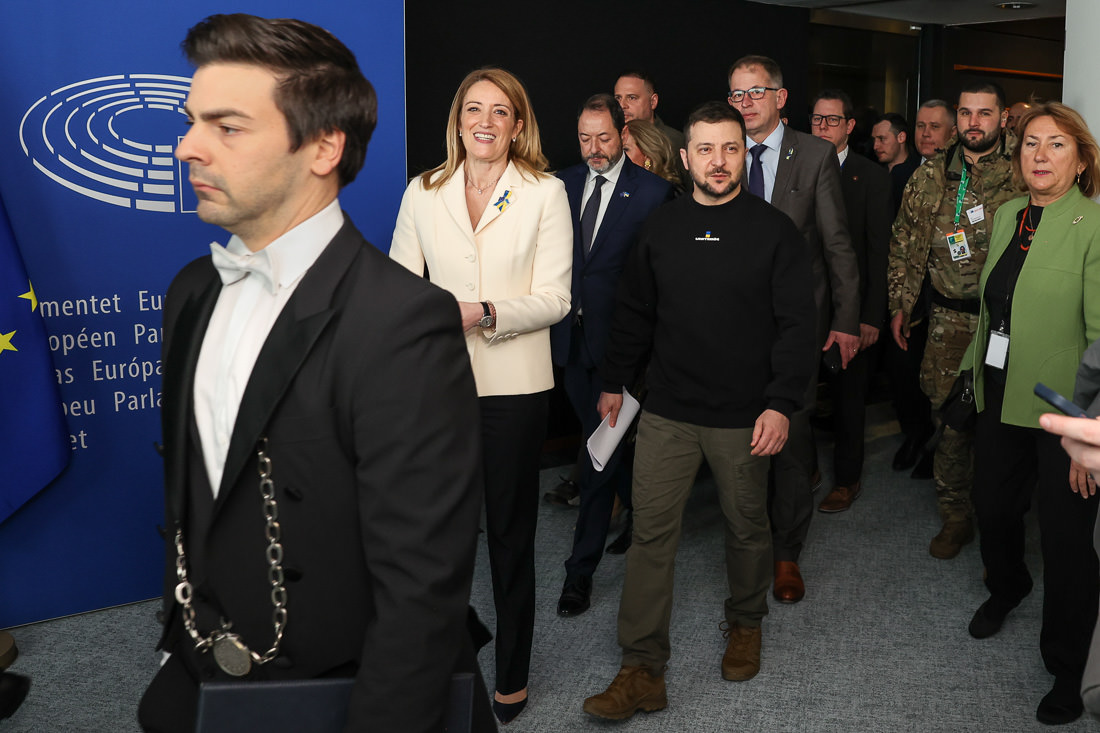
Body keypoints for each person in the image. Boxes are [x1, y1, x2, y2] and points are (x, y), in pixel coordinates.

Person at [138, 14, 489, 733]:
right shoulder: (189, 292)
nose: (187, 147)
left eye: (226, 127)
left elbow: (421, 589)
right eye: (190, 122)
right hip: (202, 669)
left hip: (340, 685)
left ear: (324, 146)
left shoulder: (402, 322)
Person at [581, 100, 815, 721]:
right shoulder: (659, 228)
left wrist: (781, 404)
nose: (718, 161)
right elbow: (634, 313)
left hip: (745, 416)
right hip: (668, 412)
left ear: (745, 156)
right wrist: (615, 381)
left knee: (746, 527)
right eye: (706, 149)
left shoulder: (775, 233)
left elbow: (797, 327)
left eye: (730, 148)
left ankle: (746, 622)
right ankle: (641, 668)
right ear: (685, 158)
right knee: (651, 536)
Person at [389, 66, 572, 724]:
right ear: (458, 120)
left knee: (510, 537)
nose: (485, 121)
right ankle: (441, 662)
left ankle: (512, 673)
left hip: (513, 389)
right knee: (435, 537)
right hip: (437, 388)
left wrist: (486, 311)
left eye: (500, 111)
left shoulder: (545, 192)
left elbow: (556, 298)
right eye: (474, 109)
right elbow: (399, 289)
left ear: (517, 125)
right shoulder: (423, 191)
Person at [960, 101, 1100, 726]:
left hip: (1065, 411)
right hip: (999, 391)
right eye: (1031, 143)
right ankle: (1008, 585)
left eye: (1056, 145)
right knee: (991, 507)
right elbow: (995, 307)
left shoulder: (1094, 227)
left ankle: (1069, 666)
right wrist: (970, 373)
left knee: (1067, 542)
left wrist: (1090, 435)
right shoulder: (1010, 214)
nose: (1040, 155)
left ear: (1081, 160)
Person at [728, 54, 860, 603]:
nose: (745, 103)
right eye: (736, 94)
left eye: (755, 92)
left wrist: (847, 322)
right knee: (740, 438)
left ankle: (787, 553)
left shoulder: (814, 154)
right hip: (733, 327)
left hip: (797, 326)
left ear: (780, 97)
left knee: (791, 441)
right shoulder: (722, 151)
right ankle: (747, 544)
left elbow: (837, 245)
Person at [550, 94, 671, 619]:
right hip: (568, 343)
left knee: (597, 457)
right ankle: (641, 514)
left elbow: (657, 285)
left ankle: (579, 572)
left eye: (603, 137)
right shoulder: (559, 184)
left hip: (621, 351)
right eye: (584, 138)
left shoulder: (653, 194)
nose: (594, 148)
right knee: (603, 446)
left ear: (623, 134)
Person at [888, 81, 1018, 560]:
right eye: (965, 113)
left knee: (1001, 426)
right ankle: (955, 517)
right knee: (950, 421)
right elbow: (902, 241)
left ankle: (1001, 527)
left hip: (1007, 323)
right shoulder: (930, 174)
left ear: (1003, 118)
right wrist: (901, 304)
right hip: (948, 319)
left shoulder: (1024, 171)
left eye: (984, 113)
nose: (973, 123)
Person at [810, 90, 892, 513]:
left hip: (852, 309)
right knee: (800, 397)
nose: (823, 127)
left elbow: (879, 253)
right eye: (817, 120)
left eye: (832, 120)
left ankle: (847, 480)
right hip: (806, 306)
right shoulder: (798, 167)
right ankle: (806, 470)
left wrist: (871, 316)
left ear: (849, 126)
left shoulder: (871, 177)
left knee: (848, 401)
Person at [873, 112, 933, 475]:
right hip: (893, 289)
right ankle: (915, 434)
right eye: (922, 126)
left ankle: (925, 440)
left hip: (928, 294)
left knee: (917, 372)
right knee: (900, 371)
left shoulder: (921, 176)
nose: (876, 145)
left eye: (882, 138)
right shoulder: (885, 176)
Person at [614, 71, 690, 188]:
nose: (622, 105)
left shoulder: (675, 142)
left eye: (632, 98)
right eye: (618, 98)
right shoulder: (610, 139)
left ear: (653, 101)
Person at [622, 119, 684, 194]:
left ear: (648, 156)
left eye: (625, 149)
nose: (619, 155)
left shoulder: (665, 193)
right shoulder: (623, 189)